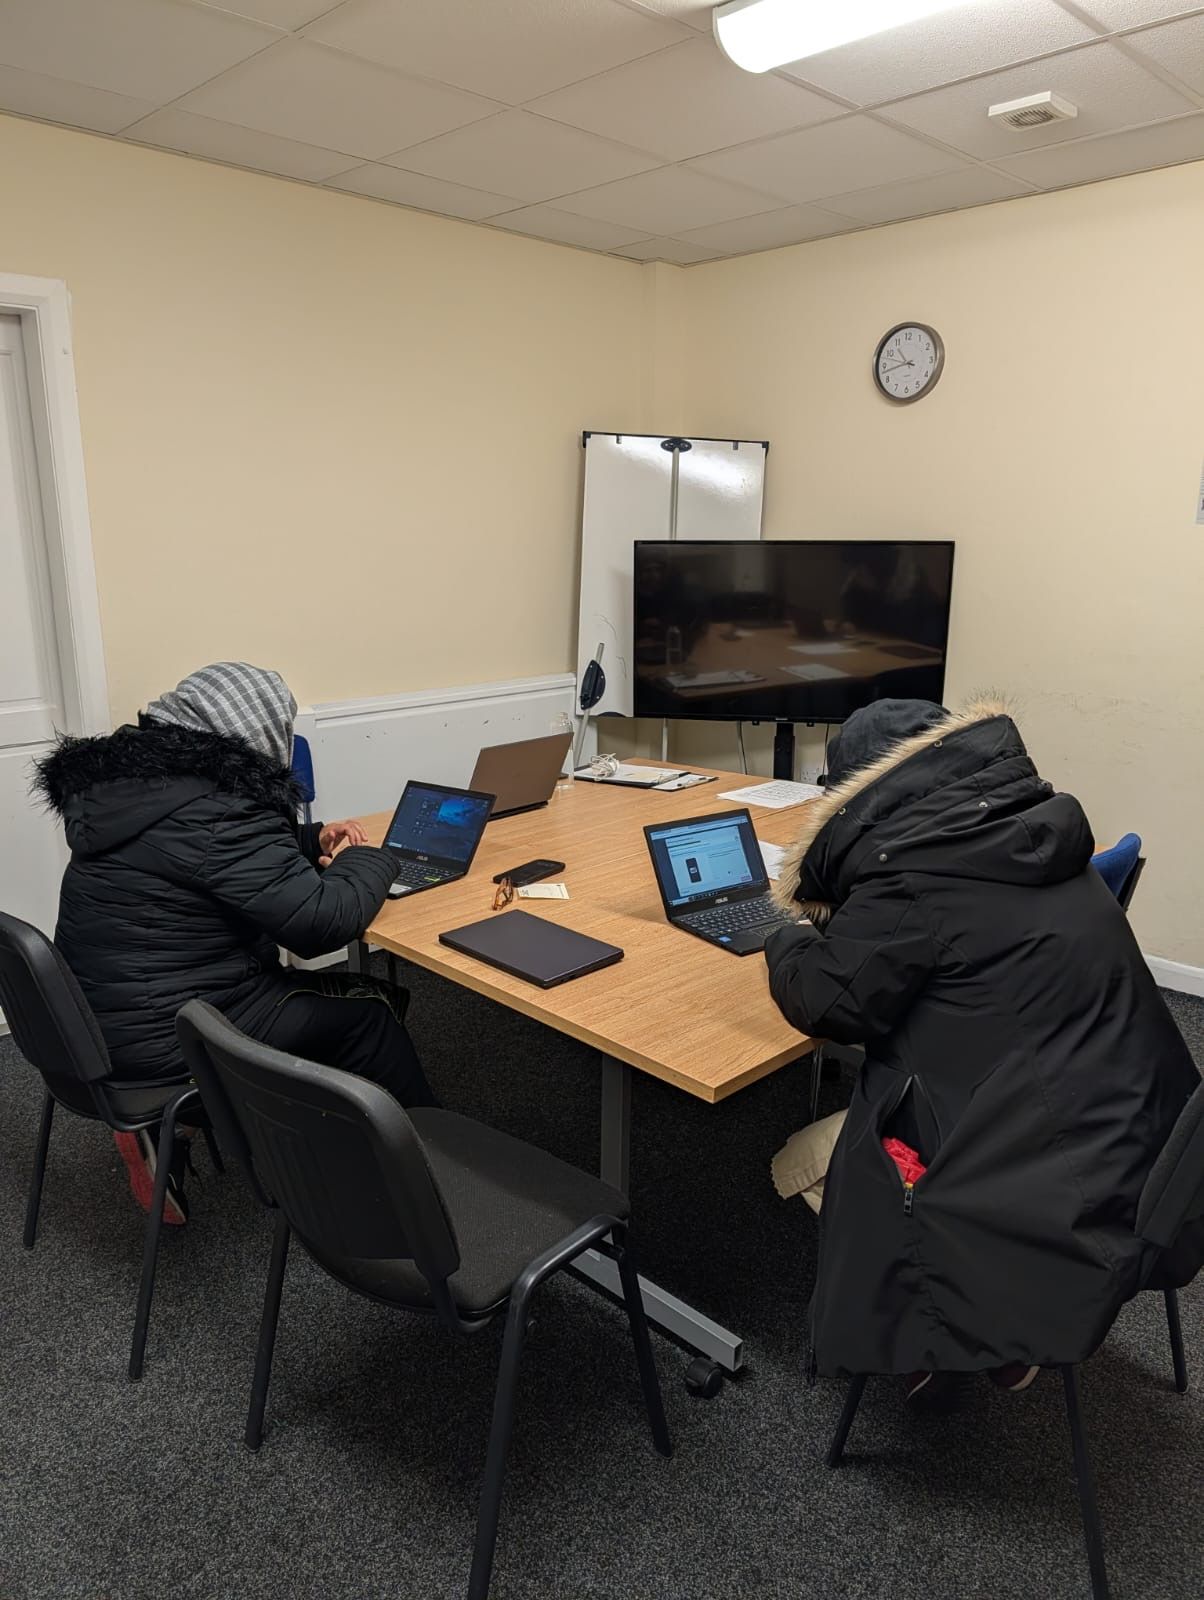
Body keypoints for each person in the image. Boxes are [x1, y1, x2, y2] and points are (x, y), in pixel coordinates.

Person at [764, 696, 1201, 1396]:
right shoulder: (1035, 829)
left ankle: (961, 1328)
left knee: (797, 1158)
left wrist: (781, 932)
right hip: (1144, 1147)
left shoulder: (910, 876)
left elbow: (825, 1001)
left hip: (1044, 1195)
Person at [34, 661, 435, 1223]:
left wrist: (309, 837)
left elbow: (203, 856)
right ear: (257, 734)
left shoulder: (134, 791)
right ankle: (429, 1179)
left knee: (323, 1002)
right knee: (371, 1018)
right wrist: (371, 858)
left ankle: (176, 1131)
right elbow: (319, 924)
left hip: (99, 1020)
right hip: (176, 1030)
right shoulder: (220, 810)